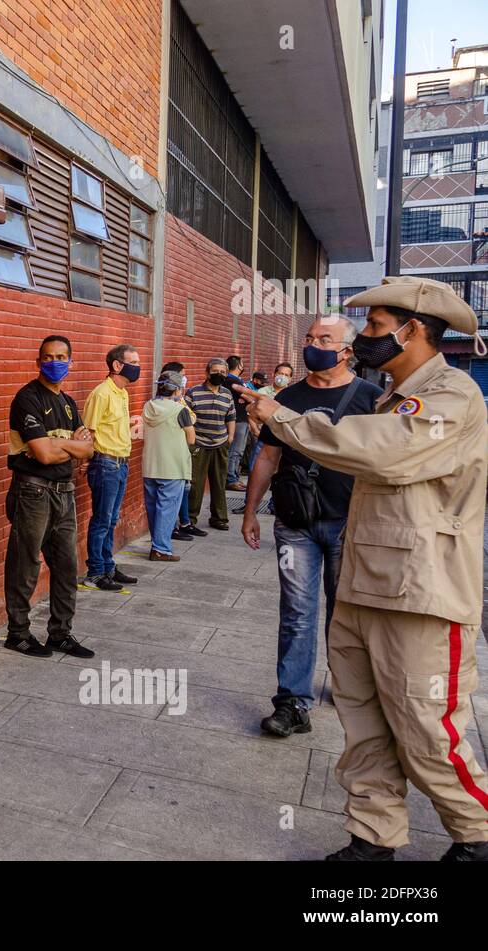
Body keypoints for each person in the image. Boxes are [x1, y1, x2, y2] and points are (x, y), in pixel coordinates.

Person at [240, 276, 488, 862]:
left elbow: (383, 451)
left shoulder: (452, 394)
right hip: (365, 584)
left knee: (429, 730)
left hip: (422, 594)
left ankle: (476, 835)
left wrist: (285, 417)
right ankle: (374, 837)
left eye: (375, 328)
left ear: (414, 331)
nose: (366, 339)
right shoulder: (389, 396)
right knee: (366, 727)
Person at [241, 317, 380, 738]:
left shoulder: (372, 399)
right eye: (309, 337)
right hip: (295, 522)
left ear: (346, 350)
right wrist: (250, 511)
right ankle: (292, 703)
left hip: (348, 524)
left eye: (323, 339)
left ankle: (347, 685)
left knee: (344, 614)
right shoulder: (287, 397)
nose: (312, 344)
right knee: (297, 614)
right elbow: (267, 457)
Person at [3, 334, 96, 658]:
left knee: (68, 566)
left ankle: (60, 633)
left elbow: (89, 448)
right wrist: (71, 447)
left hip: (64, 493)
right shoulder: (27, 399)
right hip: (33, 492)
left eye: (61, 357)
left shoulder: (69, 404)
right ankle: (18, 633)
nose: (54, 362)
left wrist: (66, 447)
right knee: (25, 564)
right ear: (38, 360)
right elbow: (42, 454)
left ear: (71, 361)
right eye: (48, 357)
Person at [82, 343, 142, 590]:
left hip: (121, 463)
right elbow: (89, 431)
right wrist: (85, 462)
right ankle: (95, 572)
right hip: (105, 463)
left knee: (112, 518)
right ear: (118, 365)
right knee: (102, 519)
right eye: (134, 363)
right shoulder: (101, 393)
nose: (137, 368)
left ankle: (107, 566)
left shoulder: (123, 393)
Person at [141, 370, 195, 562]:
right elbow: (191, 438)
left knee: (153, 507)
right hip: (173, 466)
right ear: (177, 389)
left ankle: (157, 544)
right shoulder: (180, 410)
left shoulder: (148, 406)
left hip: (150, 465)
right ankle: (161, 548)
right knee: (167, 508)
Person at [186, 358, 236, 531]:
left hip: (221, 444)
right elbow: (186, 417)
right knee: (195, 484)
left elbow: (231, 417)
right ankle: (190, 519)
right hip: (199, 444)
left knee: (219, 482)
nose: (219, 375)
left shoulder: (227, 394)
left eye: (223, 372)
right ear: (207, 373)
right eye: (215, 371)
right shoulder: (193, 392)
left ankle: (219, 518)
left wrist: (230, 437)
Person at [160, 361, 207, 542]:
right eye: (182, 374)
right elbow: (190, 423)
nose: (185, 378)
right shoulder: (167, 402)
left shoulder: (179, 399)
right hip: (172, 451)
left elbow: (191, 416)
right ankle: (172, 528)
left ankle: (185, 522)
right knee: (172, 493)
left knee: (184, 488)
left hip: (181, 451)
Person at [247, 363, 293, 474]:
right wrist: (256, 431)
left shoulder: (293, 394)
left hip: (285, 438)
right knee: (256, 469)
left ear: (290, 379)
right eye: (280, 373)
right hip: (264, 436)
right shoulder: (262, 393)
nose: (282, 377)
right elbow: (250, 414)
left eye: (286, 375)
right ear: (274, 374)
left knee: (282, 472)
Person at [225, 355, 249, 490]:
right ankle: (230, 479)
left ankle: (235, 476)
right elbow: (250, 396)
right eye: (242, 363)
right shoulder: (230, 381)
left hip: (243, 419)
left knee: (239, 451)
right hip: (237, 420)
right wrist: (247, 398)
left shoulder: (238, 381)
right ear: (238, 365)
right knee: (235, 451)